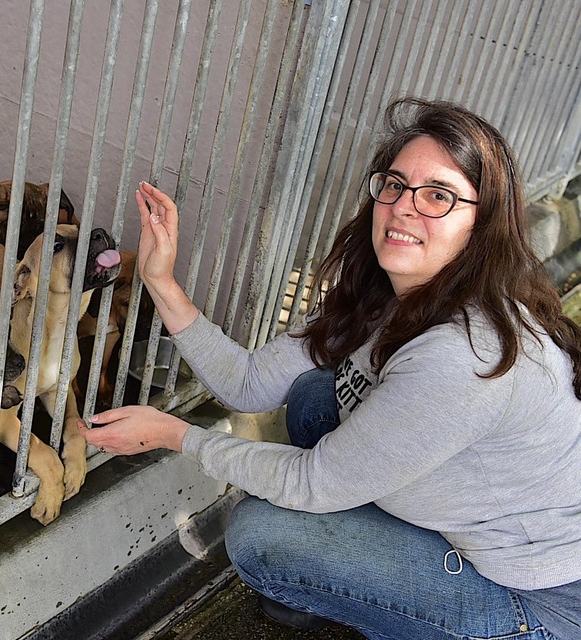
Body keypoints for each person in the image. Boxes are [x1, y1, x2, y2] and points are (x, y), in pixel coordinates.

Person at [78, 98, 581, 639]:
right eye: (394, 185)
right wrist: (161, 281)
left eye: (437, 196)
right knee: (321, 396)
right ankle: (356, 590)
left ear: (480, 226)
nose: (404, 207)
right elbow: (248, 385)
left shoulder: (463, 354)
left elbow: (312, 484)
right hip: (464, 525)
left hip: (537, 602)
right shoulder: (387, 295)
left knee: (261, 535)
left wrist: (177, 435)